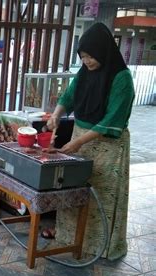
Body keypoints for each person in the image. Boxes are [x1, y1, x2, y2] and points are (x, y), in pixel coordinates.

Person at [45, 22, 134, 260]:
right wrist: (56, 114)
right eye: (83, 56)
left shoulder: (121, 78)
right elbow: (68, 96)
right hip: (80, 138)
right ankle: (68, 237)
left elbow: (111, 119)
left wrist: (79, 142)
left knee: (100, 194)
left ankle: (101, 246)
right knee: (73, 189)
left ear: (103, 51)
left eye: (91, 56)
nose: (87, 61)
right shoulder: (84, 73)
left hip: (107, 147)